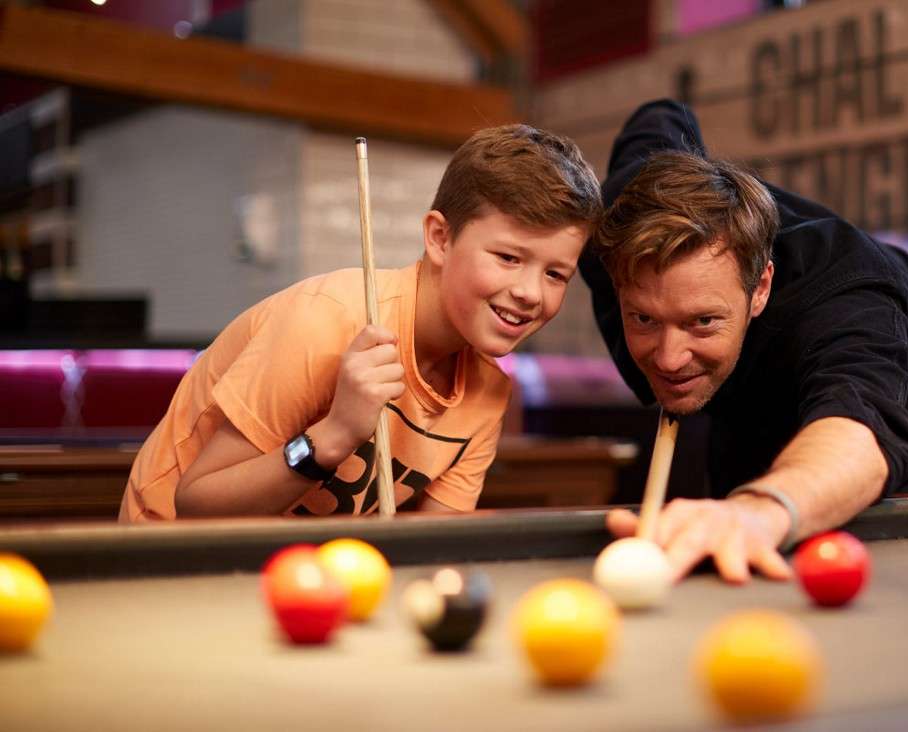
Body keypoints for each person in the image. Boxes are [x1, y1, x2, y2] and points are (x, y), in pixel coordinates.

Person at [582, 100, 908, 583]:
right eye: (644, 318)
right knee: (730, 545)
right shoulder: (617, 227)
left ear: (761, 288)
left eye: (703, 322)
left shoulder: (845, 297)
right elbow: (659, 116)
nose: (668, 359)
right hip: (745, 394)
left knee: (808, 548)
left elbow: (859, 426)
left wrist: (759, 511)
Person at [120, 125, 601, 522]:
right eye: (508, 257)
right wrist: (333, 436)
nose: (531, 293)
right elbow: (196, 506)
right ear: (439, 238)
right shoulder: (323, 321)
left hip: (314, 585)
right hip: (165, 570)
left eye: (556, 273)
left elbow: (431, 552)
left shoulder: (488, 392)